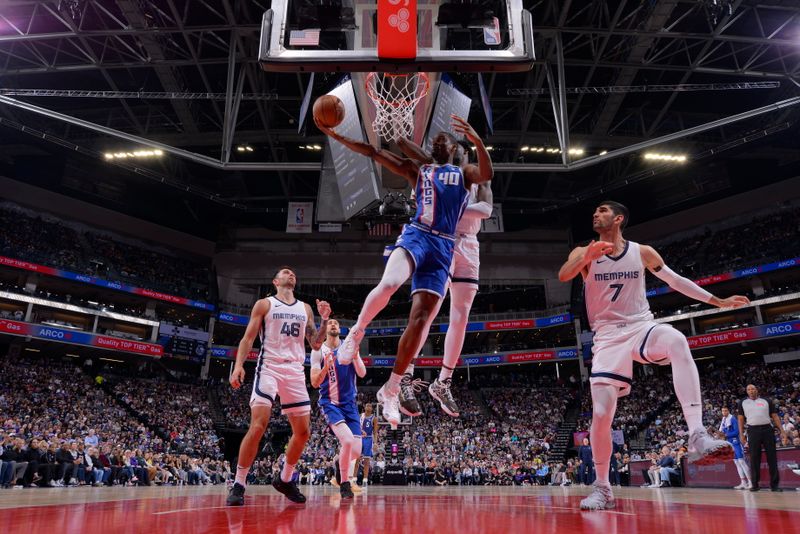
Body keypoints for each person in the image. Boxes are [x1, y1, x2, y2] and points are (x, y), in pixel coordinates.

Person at [558, 200, 750, 510]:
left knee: (676, 340)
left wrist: (718, 301)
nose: (596, 214)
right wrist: (587, 255)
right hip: (606, 338)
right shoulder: (584, 251)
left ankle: (697, 433)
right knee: (601, 415)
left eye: (603, 210)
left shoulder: (642, 251)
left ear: (619, 218)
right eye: (594, 211)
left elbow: (675, 281)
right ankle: (603, 487)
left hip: (639, 327)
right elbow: (564, 275)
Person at [316, 114, 493, 427]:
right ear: (430, 150)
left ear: (453, 149)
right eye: (435, 140)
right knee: (389, 283)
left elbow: (487, 172)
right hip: (417, 234)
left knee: (422, 318)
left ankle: (392, 389)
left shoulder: (464, 173)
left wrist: (477, 139)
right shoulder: (419, 169)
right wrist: (336, 135)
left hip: (444, 247)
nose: (440, 141)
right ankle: (356, 332)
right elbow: (374, 152)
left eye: (445, 139)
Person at [394, 138, 494, 417]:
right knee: (429, 310)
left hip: (470, 245)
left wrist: (452, 203)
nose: (458, 154)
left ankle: (443, 381)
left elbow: (487, 210)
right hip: (441, 241)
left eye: (462, 151)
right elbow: (421, 204)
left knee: (461, 316)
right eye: (455, 150)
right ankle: (406, 374)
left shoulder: (475, 177)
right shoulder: (432, 174)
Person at [226, 267, 330, 506]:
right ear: (275, 281)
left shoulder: (304, 308)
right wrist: (239, 364)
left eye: (293, 272)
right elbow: (248, 338)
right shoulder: (264, 304)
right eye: (285, 272)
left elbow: (315, 344)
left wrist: (324, 320)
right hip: (269, 366)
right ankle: (239, 483)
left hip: (294, 370)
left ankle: (284, 479)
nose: (291, 273)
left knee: (303, 432)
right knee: (259, 425)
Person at [310, 319, 366, 499]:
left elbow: (362, 373)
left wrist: (356, 355)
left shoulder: (348, 347)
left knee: (356, 451)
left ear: (340, 329)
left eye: (336, 323)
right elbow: (314, 382)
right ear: (325, 329)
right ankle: (344, 483)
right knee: (348, 442)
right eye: (330, 322)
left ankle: (337, 462)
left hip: (350, 405)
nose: (333, 324)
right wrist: (326, 367)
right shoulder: (318, 350)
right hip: (330, 403)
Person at [737, 384, 789, 492]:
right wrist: (741, 434)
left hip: (767, 430)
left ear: (757, 390)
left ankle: (774, 485)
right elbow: (741, 419)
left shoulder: (766, 400)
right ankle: (755, 485)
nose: (751, 391)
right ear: (747, 392)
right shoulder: (742, 403)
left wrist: (782, 431)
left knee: (772, 458)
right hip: (752, 430)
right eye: (749, 389)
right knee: (754, 458)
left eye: (753, 389)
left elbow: (774, 416)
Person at [719, 406, 751, 489]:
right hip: (729, 443)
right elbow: (721, 431)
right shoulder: (723, 420)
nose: (724, 412)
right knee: (736, 462)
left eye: (725, 411)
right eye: (723, 411)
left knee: (741, 461)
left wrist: (726, 435)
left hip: (736, 441)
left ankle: (751, 482)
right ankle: (743, 482)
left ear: (728, 411)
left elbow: (737, 431)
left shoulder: (732, 419)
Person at [359, 403, 378, 486]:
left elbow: (375, 432)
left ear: (372, 409)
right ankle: (354, 479)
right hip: (359, 438)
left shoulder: (374, 418)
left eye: (370, 406)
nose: (368, 407)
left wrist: (375, 443)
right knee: (357, 459)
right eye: (367, 405)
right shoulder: (360, 416)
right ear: (364, 407)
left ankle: (365, 480)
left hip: (368, 439)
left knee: (366, 461)